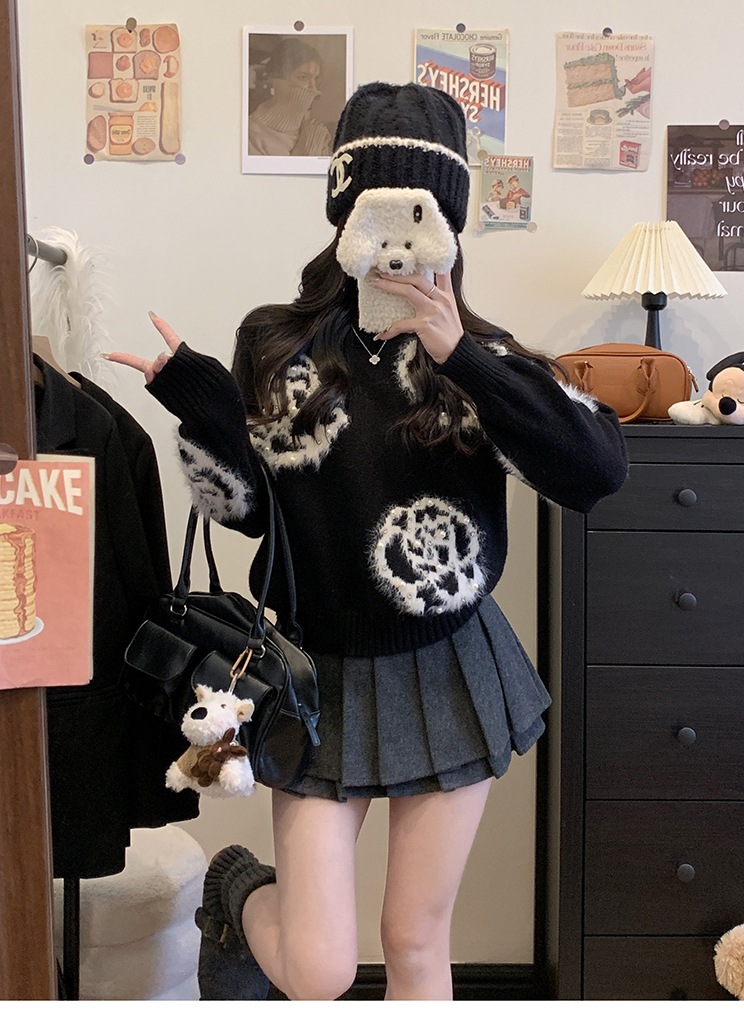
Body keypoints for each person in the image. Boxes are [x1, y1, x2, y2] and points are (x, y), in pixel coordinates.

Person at [107, 82, 628, 1002]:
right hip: (318, 675)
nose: (395, 244)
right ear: (343, 215)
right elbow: (251, 515)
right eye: (377, 214)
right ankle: (237, 889)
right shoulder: (276, 345)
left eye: (417, 216)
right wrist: (206, 413)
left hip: (452, 666)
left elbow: (596, 472)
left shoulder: (485, 359)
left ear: (449, 227)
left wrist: (461, 353)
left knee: (416, 941)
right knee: (319, 968)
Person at [248, 37, 332, 157]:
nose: (313, 89)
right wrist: (309, 146)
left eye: (315, 79)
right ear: (277, 80)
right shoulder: (251, 135)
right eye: (303, 77)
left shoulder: (315, 130)